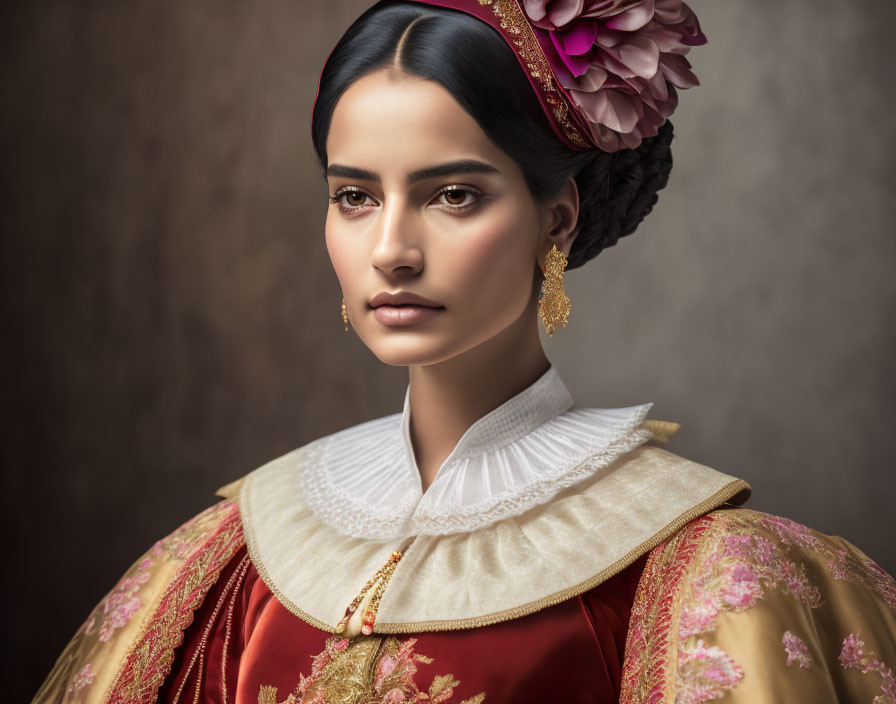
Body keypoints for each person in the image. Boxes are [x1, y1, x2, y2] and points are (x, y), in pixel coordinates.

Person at [34, 1, 896, 702]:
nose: (391, 250)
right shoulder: (218, 562)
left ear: (554, 219)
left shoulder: (704, 578)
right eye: (355, 197)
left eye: (452, 194)